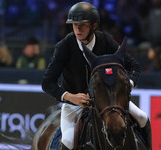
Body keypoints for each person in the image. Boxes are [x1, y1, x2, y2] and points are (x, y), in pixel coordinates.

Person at [42, 2, 152, 150]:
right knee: (67, 141)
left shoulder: (105, 40)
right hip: (75, 104)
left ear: (94, 26)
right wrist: (70, 97)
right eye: (75, 25)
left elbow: (134, 66)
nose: (78, 29)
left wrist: (128, 85)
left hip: (108, 99)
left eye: (82, 25)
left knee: (142, 117)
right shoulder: (64, 46)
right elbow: (47, 82)